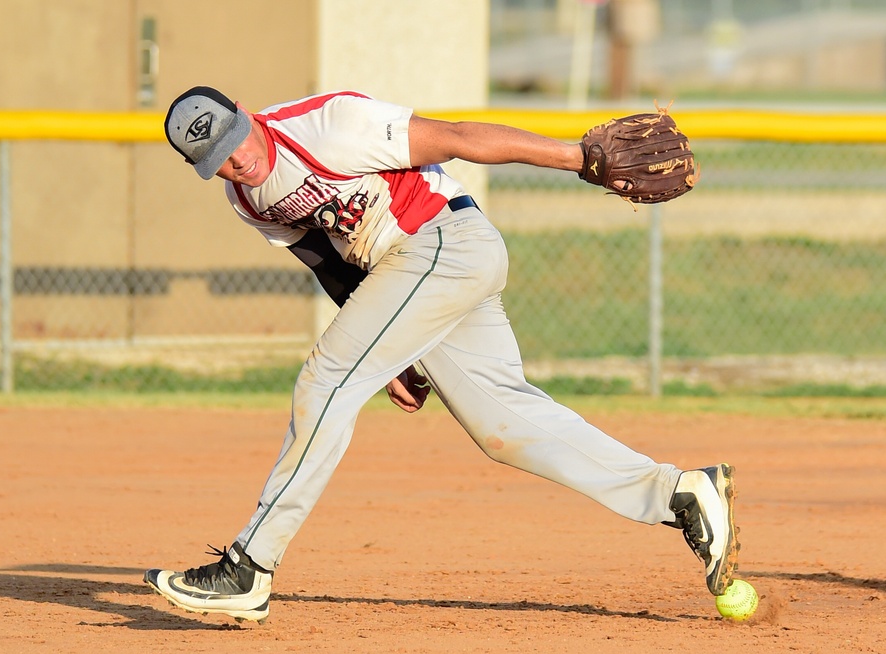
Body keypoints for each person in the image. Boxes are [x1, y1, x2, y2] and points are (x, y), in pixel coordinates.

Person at [145, 86, 739, 624]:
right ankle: (680, 494)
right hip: (409, 275)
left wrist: (577, 157)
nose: (236, 159)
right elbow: (326, 258)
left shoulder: (330, 126)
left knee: (324, 382)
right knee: (502, 422)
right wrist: (393, 356)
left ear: (248, 115)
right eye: (216, 159)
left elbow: (456, 137)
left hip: (442, 242)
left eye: (234, 139)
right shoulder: (245, 198)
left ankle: (249, 568)